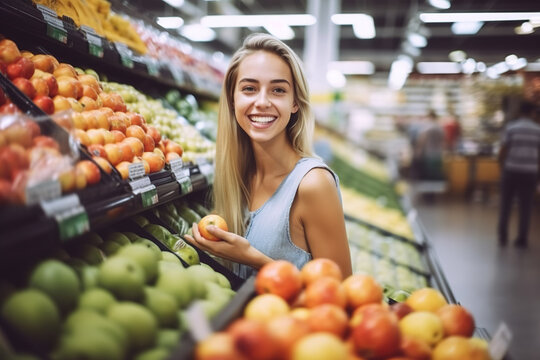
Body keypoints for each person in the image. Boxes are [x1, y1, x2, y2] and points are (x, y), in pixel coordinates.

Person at [184, 33, 352, 279]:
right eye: (250, 89)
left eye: (278, 90)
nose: (262, 102)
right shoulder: (240, 176)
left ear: (295, 102)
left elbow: (341, 291)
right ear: (233, 99)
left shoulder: (313, 184)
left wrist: (252, 258)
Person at [497, 99, 540, 248]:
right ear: (532, 113)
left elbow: (503, 150)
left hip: (511, 170)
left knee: (506, 204)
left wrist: (502, 166)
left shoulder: (511, 128)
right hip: (530, 172)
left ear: (520, 112)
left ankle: (502, 235)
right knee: (526, 206)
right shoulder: (537, 130)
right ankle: (522, 238)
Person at [414, 110, 445, 181]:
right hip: (438, 153)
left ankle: (430, 189)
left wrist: (419, 150)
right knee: (437, 172)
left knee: (429, 173)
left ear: (430, 116)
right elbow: (443, 140)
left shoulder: (427, 127)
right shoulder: (439, 127)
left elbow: (422, 139)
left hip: (429, 153)